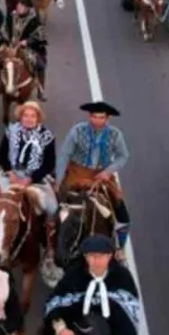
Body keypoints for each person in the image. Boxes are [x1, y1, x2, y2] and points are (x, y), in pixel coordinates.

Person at [56, 102, 132, 252]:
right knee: (55, 209)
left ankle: (119, 248)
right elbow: (64, 155)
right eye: (94, 117)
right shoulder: (76, 131)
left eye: (101, 117)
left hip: (101, 176)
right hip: (76, 174)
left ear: (107, 118)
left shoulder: (116, 135)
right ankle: (51, 249)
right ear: (89, 116)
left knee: (122, 214)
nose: (97, 121)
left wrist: (108, 171)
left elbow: (123, 156)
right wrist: (58, 182)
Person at [0, 101, 58, 259]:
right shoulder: (10, 131)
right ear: (20, 117)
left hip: (36, 177)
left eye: (33, 116)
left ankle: (50, 247)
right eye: (25, 115)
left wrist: (30, 178)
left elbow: (49, 164)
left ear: (38, 118)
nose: (29, 119)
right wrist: (10, 172)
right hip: (12, 174)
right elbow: (1, 154)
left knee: (52, 209)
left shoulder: (47, 136)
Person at [1, 0, 48, 99]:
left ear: (27, 8)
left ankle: (41, 89)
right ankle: (0, 85)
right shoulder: (11, 16)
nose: (19, 7)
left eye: (22, 6)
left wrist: (27, 41)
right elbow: (4, 28)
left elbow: (40, 35)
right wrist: (6, 39)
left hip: (28, 48)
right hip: (10, 45)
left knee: (40, 65)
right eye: (18, 5)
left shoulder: (34, 19)